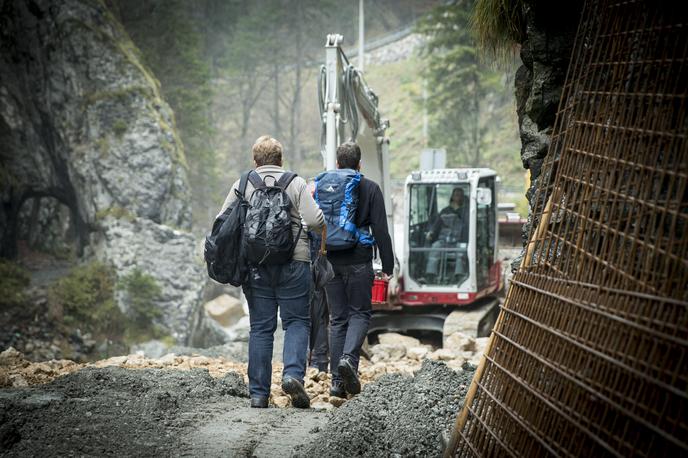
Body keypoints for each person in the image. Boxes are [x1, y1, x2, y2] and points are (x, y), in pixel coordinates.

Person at [219, 135, 324, 409]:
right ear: (281, 160)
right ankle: (291, 376)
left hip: (256, 267)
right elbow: (314, 220)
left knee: (261, 329)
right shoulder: (295, 182)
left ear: (255, 161)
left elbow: (222, 221)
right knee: (297, 322)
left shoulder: (244, 183)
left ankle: (258, 394)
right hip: (295, 262)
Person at [325, 142, 394, 398]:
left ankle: (336, 383)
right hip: (358, 261)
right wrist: (388, 265)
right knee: (360, 314)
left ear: (338, 164)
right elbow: (381, 231)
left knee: (338, 319)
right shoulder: (370, 188)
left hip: (331, 261)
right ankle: (348, 360)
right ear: (359, 164)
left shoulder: (327, 187)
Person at [424, 187, 468, 283]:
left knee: (461, 252)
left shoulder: (466, 212)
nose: (458, 197)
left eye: (460, 195)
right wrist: (431, 233)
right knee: (435, 247)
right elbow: (437, 225)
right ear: (452, 196)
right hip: (444, 240)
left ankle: (458, 276)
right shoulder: (445, 211)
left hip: (459, 240)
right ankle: (430, 275)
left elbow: (468, 228)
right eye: (456, 195)